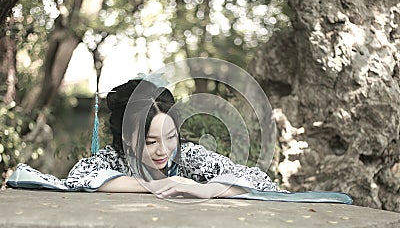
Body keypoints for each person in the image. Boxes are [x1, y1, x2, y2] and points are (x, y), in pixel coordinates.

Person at [65, 78, 281, 198]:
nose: (164, 150)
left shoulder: (188, 156)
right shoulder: (116, 158)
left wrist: (207, 189)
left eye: (170, 137)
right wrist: (155, 184)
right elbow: (78, 177)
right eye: (150, 142)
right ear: (127, 138)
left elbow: (258, 180)